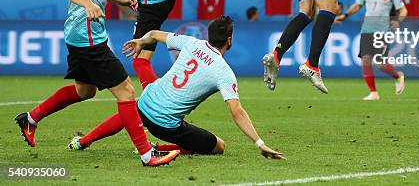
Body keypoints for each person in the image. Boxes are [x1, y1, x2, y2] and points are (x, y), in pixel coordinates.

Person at [14, 0, 179, 167]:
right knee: (126, 91)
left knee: (85, 90)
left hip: (79, 34)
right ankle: (147, 154)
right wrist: (88, 5)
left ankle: (30, 118)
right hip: (89, 36)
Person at [67, 17, 285, 160]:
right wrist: (260, 143)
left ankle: (84, 141)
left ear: (209, 35)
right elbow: (236, 111)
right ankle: (157, 149)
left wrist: (141, 42)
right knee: (218, 146)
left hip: (145, 103)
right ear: (229, 40)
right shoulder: (224, 72)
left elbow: (153, 33)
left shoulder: (192, 43)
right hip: (165, 125)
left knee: (130, 111)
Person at [335, 0, 407, 100]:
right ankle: (373, 92)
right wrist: (345, 15)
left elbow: (403, 9)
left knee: (380, 64)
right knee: (366, 60)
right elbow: (357, 5)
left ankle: (398, 76)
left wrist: (398, 20)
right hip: (367, 28)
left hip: (382, 30)